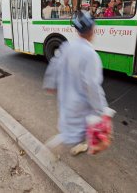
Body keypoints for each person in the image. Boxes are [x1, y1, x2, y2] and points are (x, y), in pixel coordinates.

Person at [43, 11, 109, 155]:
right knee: (80, 129)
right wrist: (101, 110)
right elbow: (92, 86)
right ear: (91, 31)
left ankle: (76, 144)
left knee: (72, 129)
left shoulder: (67, 47)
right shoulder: (91, 55)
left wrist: (51, 84)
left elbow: (54, 64)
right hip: (81, 103)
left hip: (67, 99)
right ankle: (53, 146)